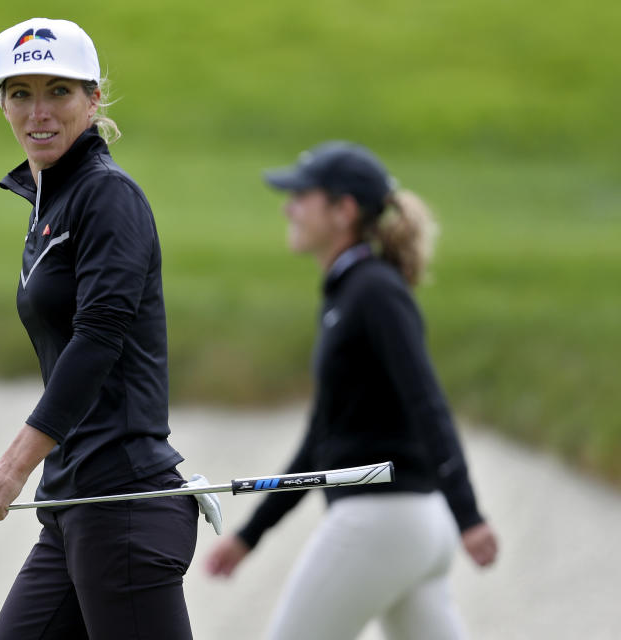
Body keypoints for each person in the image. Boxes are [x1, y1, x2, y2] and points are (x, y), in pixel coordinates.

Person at [0, 18, 199, 640]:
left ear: (93, 98)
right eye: (20, 93)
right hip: (73, 506)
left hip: (123, 505)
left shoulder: (107, 195)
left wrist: (11, 469)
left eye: (59, 91)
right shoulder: (49, 205)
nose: (39, 111)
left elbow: (98, 340)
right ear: (2, 103)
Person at [205, 141, 499, 639]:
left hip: (382, 520)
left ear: (343, 211)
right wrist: (250, 535)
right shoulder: (351, 292)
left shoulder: (374, 291)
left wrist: (470, 514)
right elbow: (321, 438)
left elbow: (426, 400)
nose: (288, 207)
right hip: (414, 526)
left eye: (302, 196)